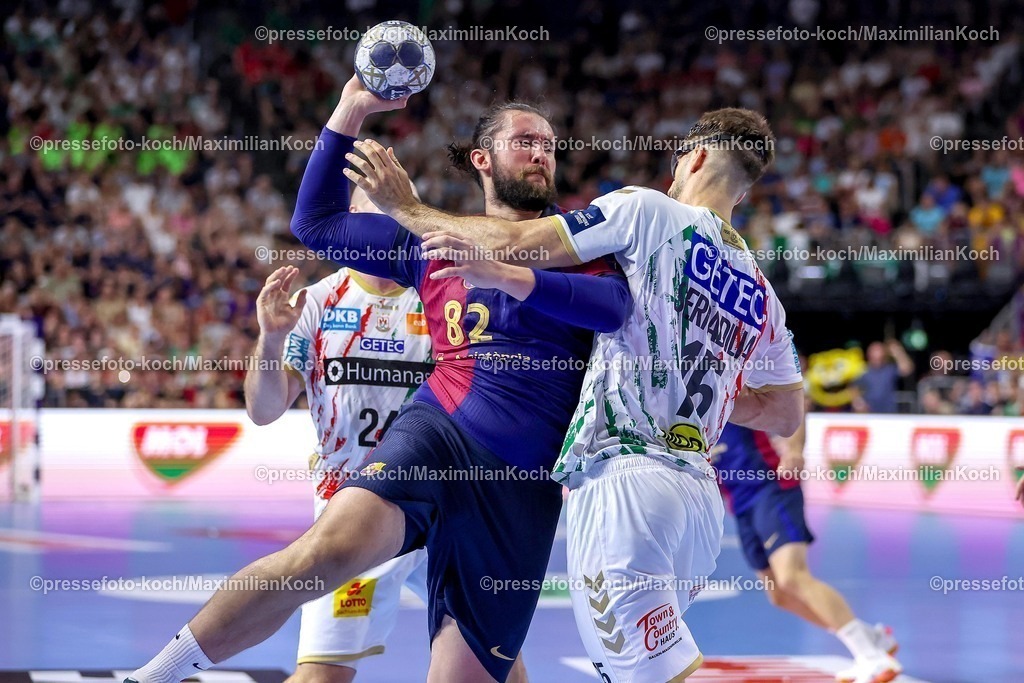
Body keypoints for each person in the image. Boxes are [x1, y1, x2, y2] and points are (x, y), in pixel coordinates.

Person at [126, 75, 631, 683]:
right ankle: (151, 677)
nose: (541, 152)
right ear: (482, 159)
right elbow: (316, 223)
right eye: (526, 140)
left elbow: (613, 309)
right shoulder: (430, 243)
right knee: (319, 558)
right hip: (440, 434)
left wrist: (498, 269)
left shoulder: (585, 243)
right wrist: (351, 108)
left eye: (549, 144)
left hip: (522, 485)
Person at [347, 109, 804, 681]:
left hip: (627, 481)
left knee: (645, 673)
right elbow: (784, 412)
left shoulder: (646, 210)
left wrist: (407, 210)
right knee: (641, 667)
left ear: (697, 158)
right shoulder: (761, 291)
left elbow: (517, 241)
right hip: (699, 506)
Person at [244, 186, 431, 683]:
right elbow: (263, 411)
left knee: (492, 661)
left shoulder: (438, 296)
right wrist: (271, 340)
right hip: (356, 509)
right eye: (379, 210)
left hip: (440, 504)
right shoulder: (317, 302)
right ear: (350, 220)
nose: (392, 223)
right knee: (322, 675)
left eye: (401, 210)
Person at [714, 421, 901, 683]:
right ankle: (872, 638)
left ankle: (871, 657)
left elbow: (793, 405)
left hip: (771, 487)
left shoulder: (729, 400)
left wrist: (794, 448)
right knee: (779, 595)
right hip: (740, 505)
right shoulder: (681, 418)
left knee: (792, 576)